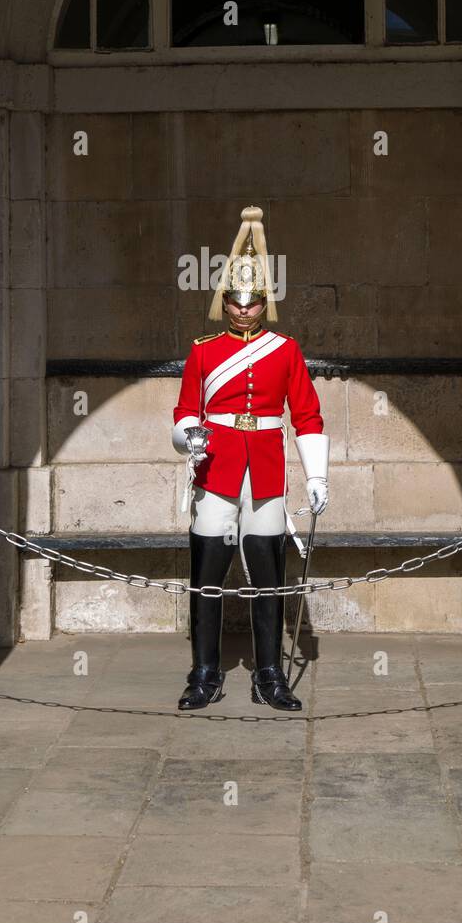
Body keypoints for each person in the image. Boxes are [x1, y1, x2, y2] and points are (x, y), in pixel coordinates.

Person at [171, 205, 330, 711]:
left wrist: (317, 475)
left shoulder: (286, 351)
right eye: (236, 301)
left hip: (264, 471)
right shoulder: (203, 350)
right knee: (208, 577)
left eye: (253, 301)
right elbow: (184, 409)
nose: (243, 309)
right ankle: (204, 672)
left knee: (268, 578)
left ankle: (268, 675)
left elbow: (306, 415)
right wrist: (187, 437)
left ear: (265, 302)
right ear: (226, 301)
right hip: (216, 469)